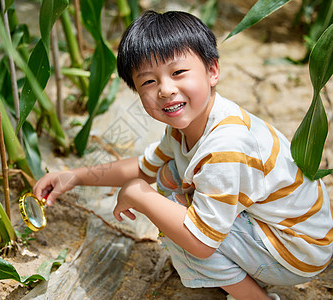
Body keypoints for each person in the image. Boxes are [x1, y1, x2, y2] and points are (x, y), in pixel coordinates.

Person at [33, 10, 333, 300]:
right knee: (170, 177)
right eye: (148, 81)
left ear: (212, 70)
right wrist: (72, 176)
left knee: (181, 234)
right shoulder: (187, 127)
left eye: (178, 72)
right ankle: (237, 266)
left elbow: (200, 241)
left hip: (297, 251)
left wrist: (141, 196)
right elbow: (143, 167)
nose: (165, 89)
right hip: (290, 233)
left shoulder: (226, 145)